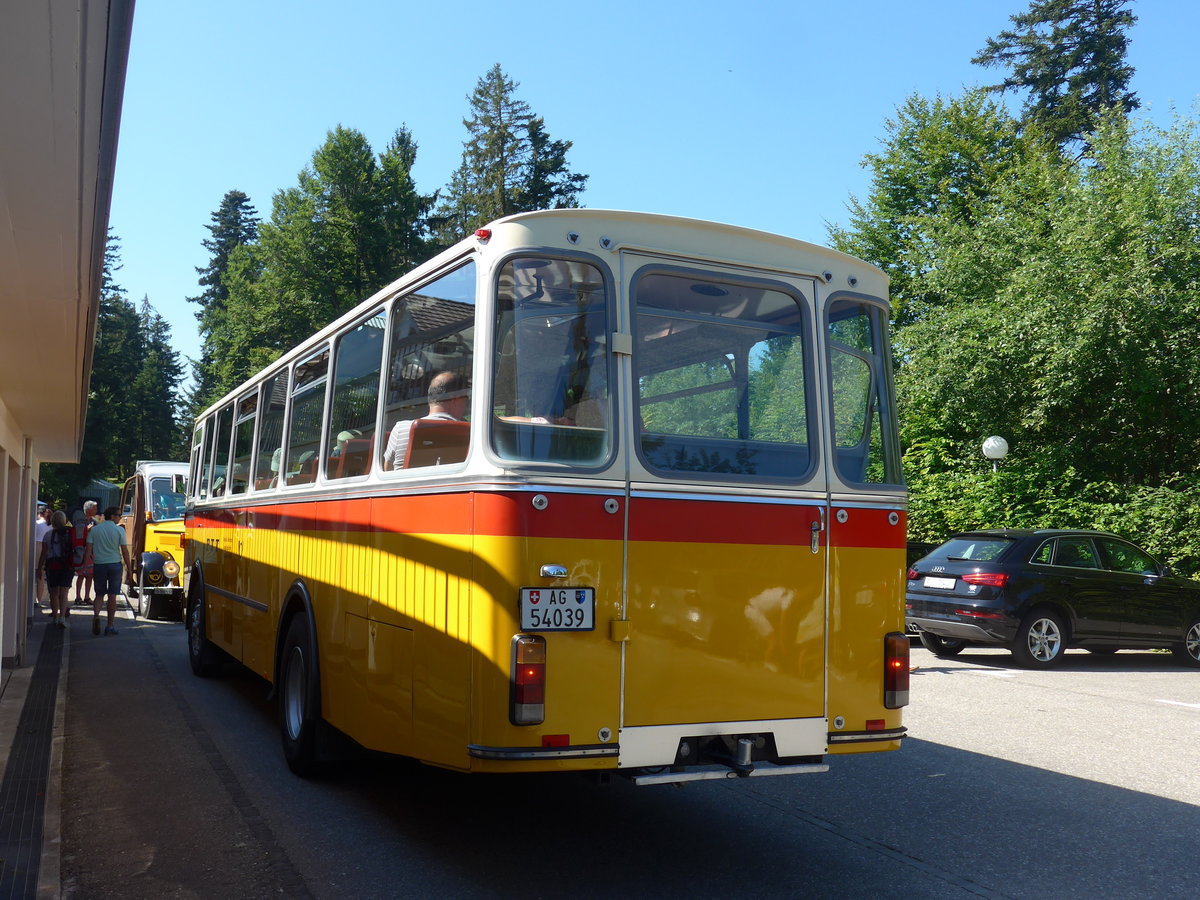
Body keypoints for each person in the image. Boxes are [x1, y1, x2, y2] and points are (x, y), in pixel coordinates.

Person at [383, 371, 469, 470]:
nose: (467, 404)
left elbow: (388, 470)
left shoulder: (401, 429)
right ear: (456, 399)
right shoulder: (468, 433)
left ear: (430, 397)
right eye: (466, 398)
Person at [84, 505, 131, 636]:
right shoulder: (119, 530)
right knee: (112, 595)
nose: (120, 518)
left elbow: (88, 549)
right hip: (115, 565)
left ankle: (97, 615)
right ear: (112, 516)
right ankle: (109, 626)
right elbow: (125, 551)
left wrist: (84, 565)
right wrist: (129, 567)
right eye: (119, 515)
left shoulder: (94, 530)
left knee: (99, 594)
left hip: (99, 565)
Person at [39, 510, 74, 627]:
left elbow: (44, 553)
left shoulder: (48, 535)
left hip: (53, 565)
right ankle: (62, 618)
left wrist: (40, 568)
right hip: (67, 566)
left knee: (54, 593)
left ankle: (55, 616)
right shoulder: (70, 533)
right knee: (64, 593)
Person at [72, 501, 97, 605]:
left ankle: (87, 596)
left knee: (90, 574)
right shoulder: (79, 521)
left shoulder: (94, 521)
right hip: (81, 550)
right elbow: (77, 533)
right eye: (95, 508)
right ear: (88, 509)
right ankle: (78, 597)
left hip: (91, 551)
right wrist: (87, 529)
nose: (96, 510)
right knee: (81, 574)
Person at [33, 506, 52, 608]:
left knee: (32, 575)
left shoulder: (36, 524)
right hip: (47, 548)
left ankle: (31, 598)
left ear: (39, 514)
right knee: (41, 576)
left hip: (36, 547)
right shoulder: (51, 525)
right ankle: (39, 600)